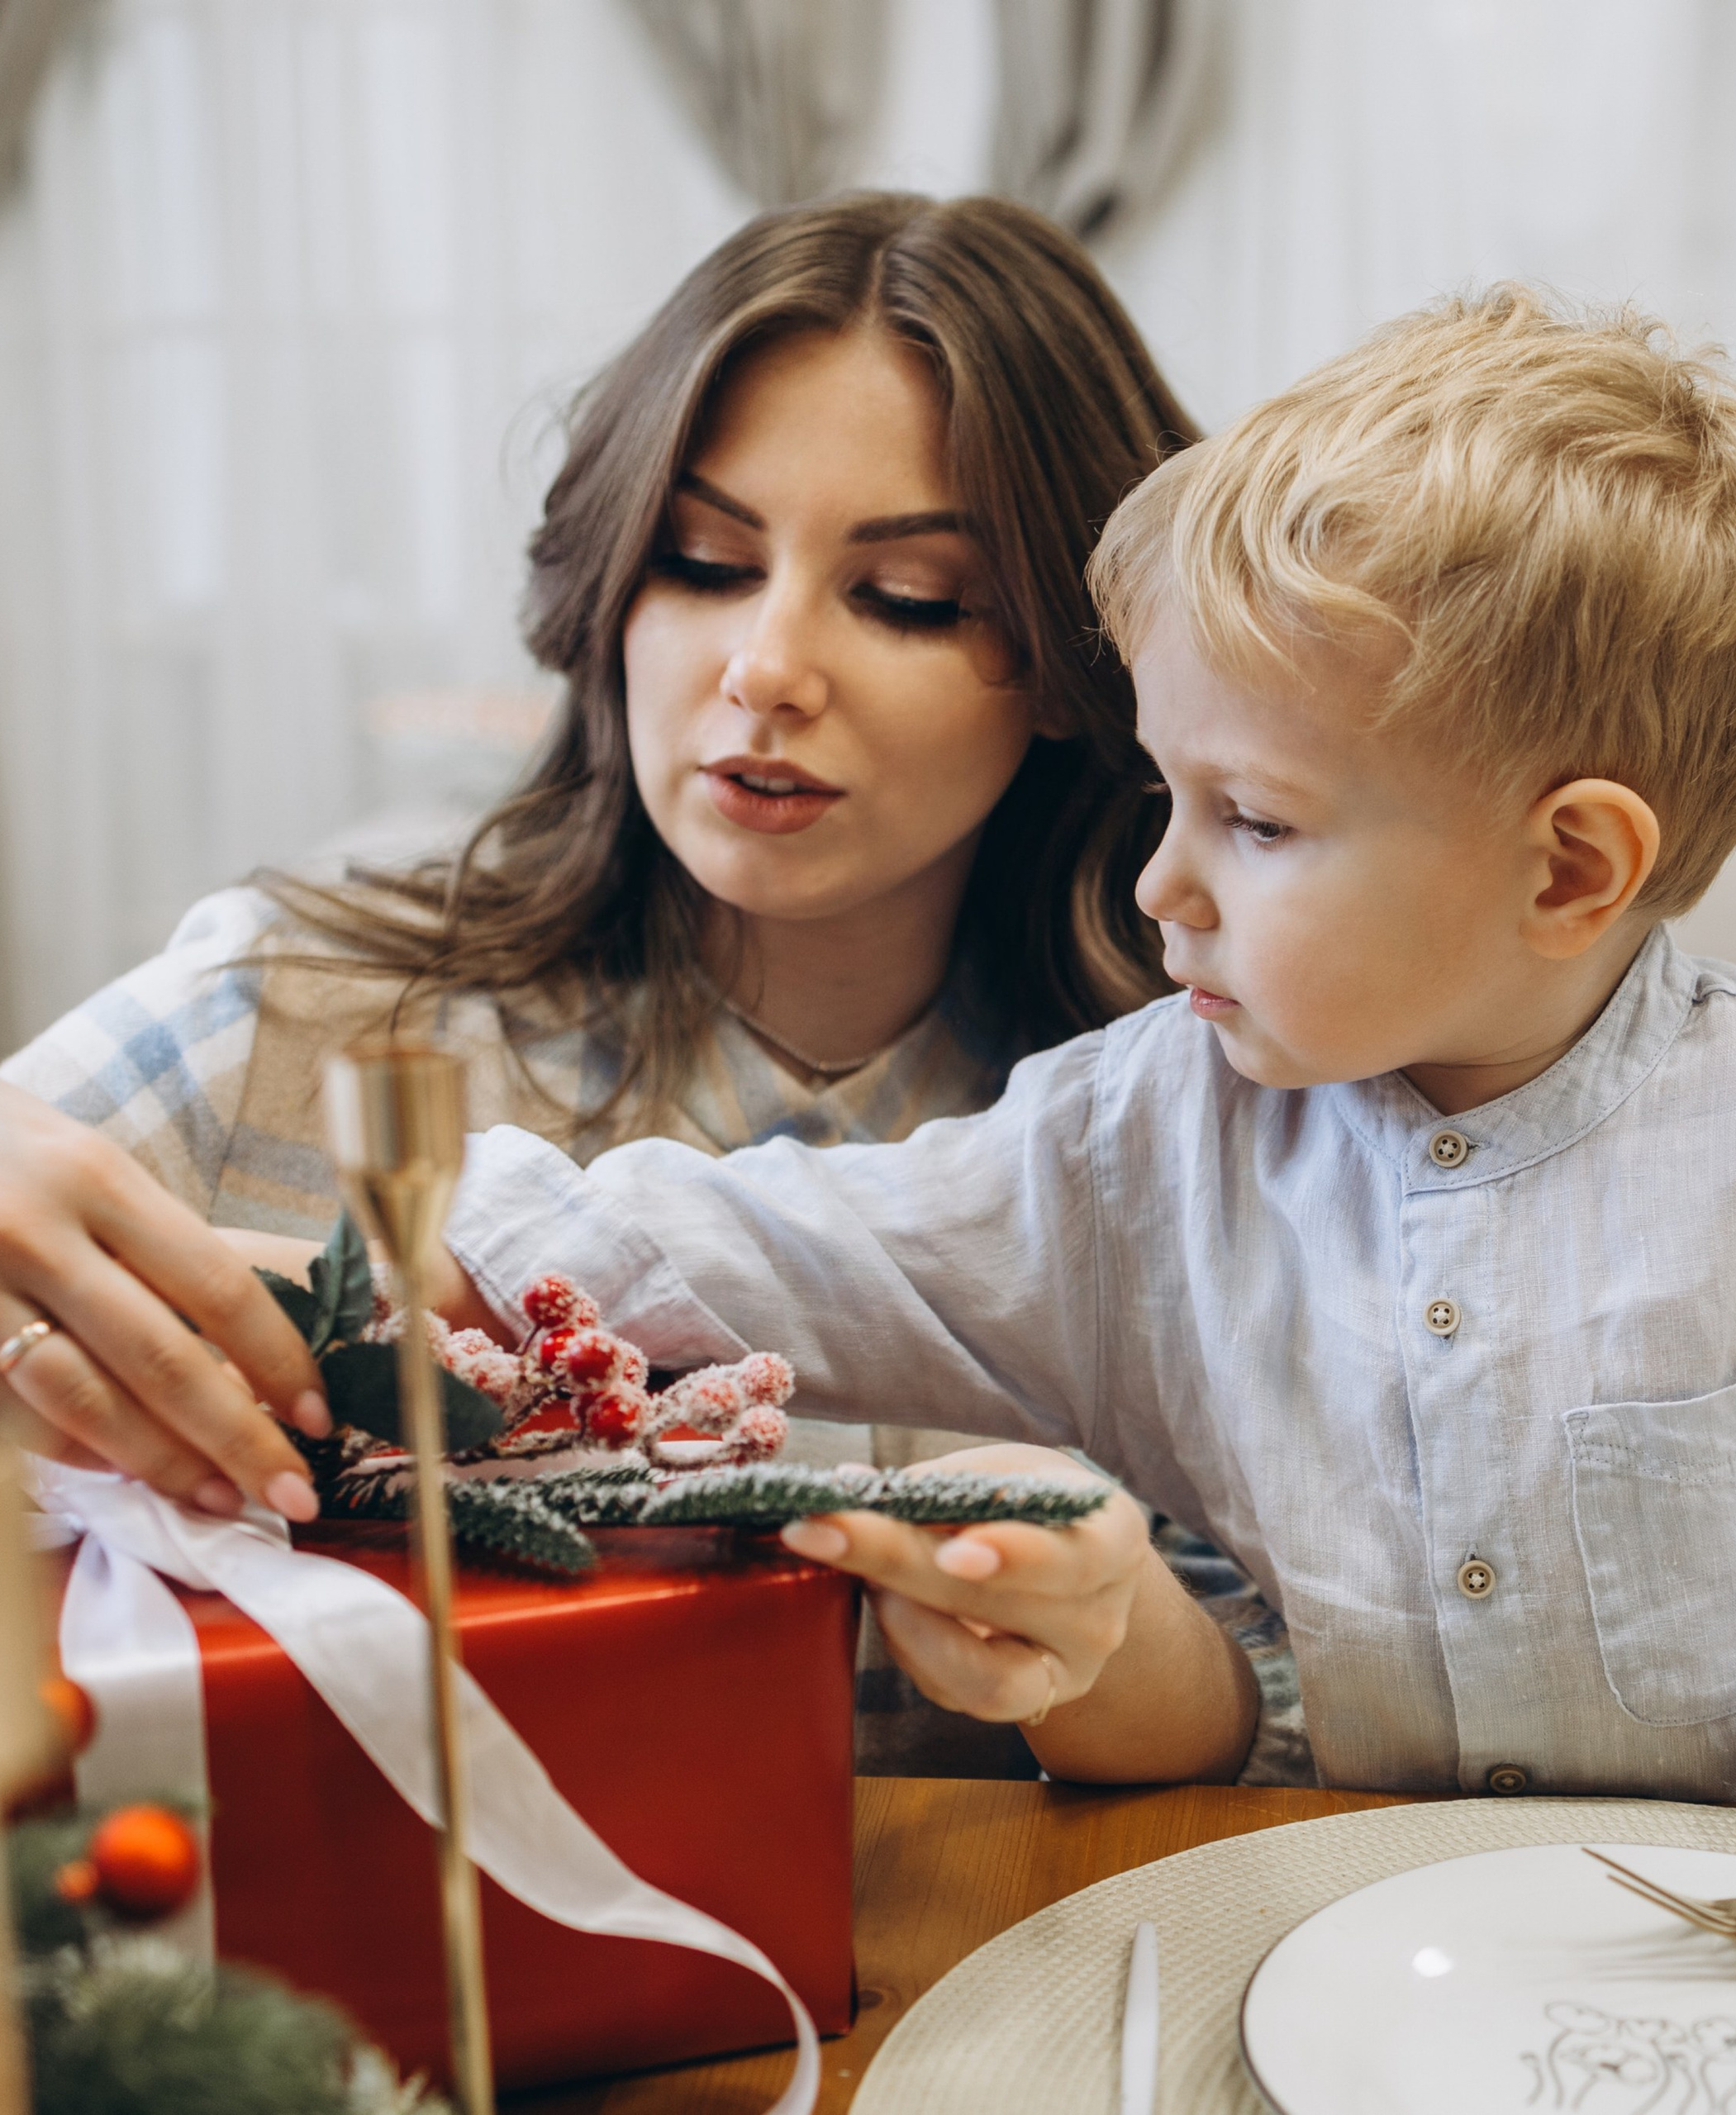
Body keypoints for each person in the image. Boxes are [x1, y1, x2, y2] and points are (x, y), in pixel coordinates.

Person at [421, 288, 1736, 1870]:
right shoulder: (1136, 1135)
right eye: (1168, 795)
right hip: (1309, 1920)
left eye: (1255, 818)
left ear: (1566, 869)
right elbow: (782, 1244)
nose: (1161, 882)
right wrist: (446, 1245)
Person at [0, 191, 1296, 1779]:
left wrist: (1113, 1640)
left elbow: (1263, 1727)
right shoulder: (299, 1009)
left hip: (963, 1997)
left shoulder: (1197, 1132)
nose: (764, 668)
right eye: (701, 562)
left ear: (1080, 659)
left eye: (905, 597)